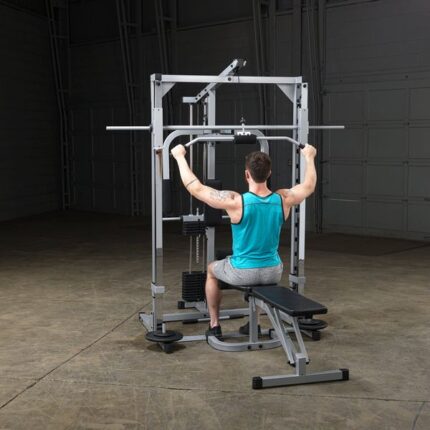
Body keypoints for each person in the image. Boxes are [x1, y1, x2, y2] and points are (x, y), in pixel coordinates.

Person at [171, 143, 317, 339]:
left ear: (247, 174)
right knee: (260, 281)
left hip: (243, 273)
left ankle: (214, 325)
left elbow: (196, 189)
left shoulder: (236, 202)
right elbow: (308, 186)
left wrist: (180, 156)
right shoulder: (283, 199)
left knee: (212, 270)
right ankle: (253, 323)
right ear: (269, 173)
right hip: (273, 272)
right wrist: (309, 156)